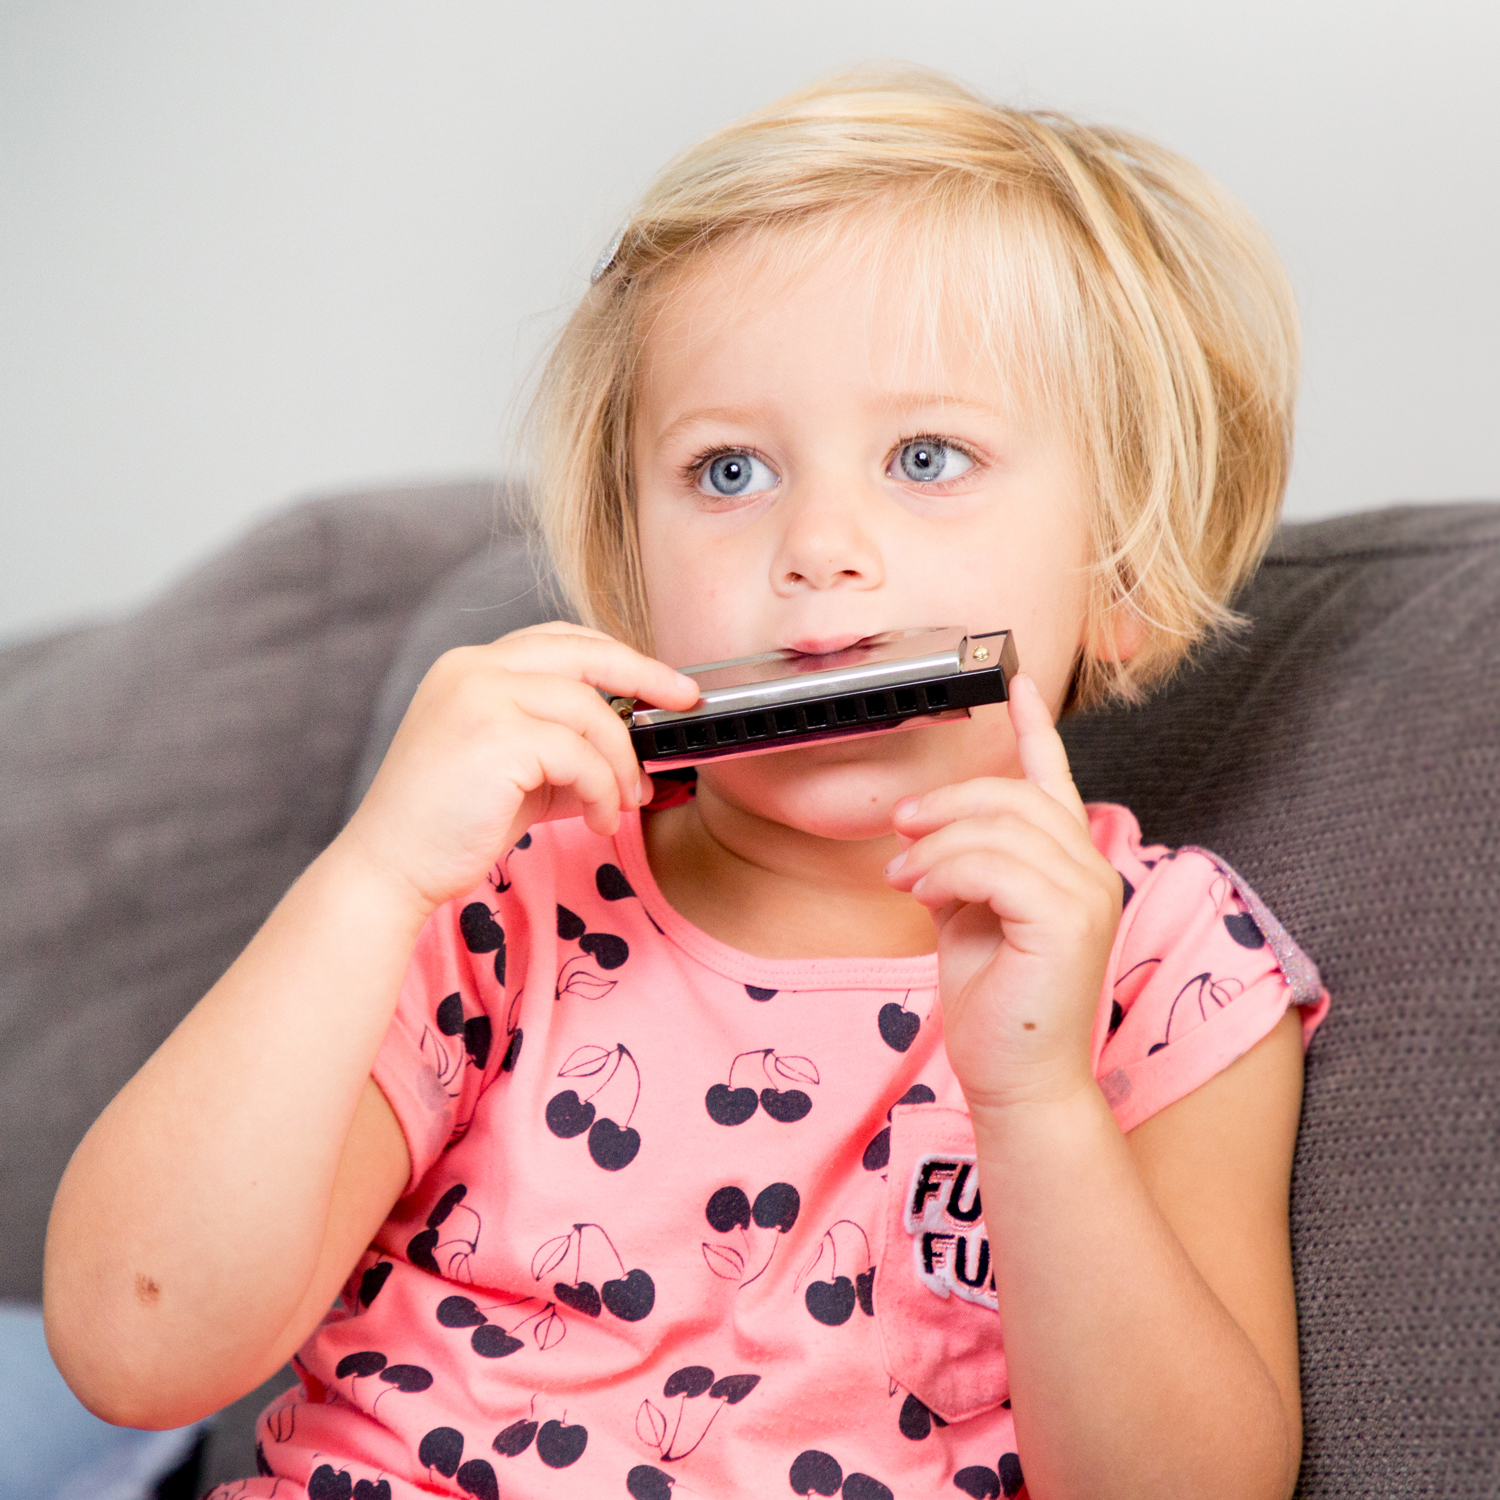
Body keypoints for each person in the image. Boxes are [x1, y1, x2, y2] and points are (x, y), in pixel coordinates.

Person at [44, 66, 1328, 1500]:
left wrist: (1033, 1103)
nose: (819, 542)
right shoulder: (503, 902)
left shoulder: (1162, 967)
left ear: (1123, 588)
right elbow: (134, 1342)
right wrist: (370, 879)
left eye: (926, 455)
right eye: (728, 472)